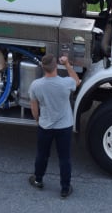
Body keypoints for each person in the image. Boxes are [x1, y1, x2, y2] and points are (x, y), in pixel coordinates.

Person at [28, 53, 81, 199]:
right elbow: (77, 81)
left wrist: (38, 120)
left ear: (43, 68)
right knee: (64, 158)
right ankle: (65, 188)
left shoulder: (36, 85)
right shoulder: (65, 83)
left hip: (45, 126)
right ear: (55, 66)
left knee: (42, 155)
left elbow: (34, 108)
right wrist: (67, 64)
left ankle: (38, 179)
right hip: (64, 127)